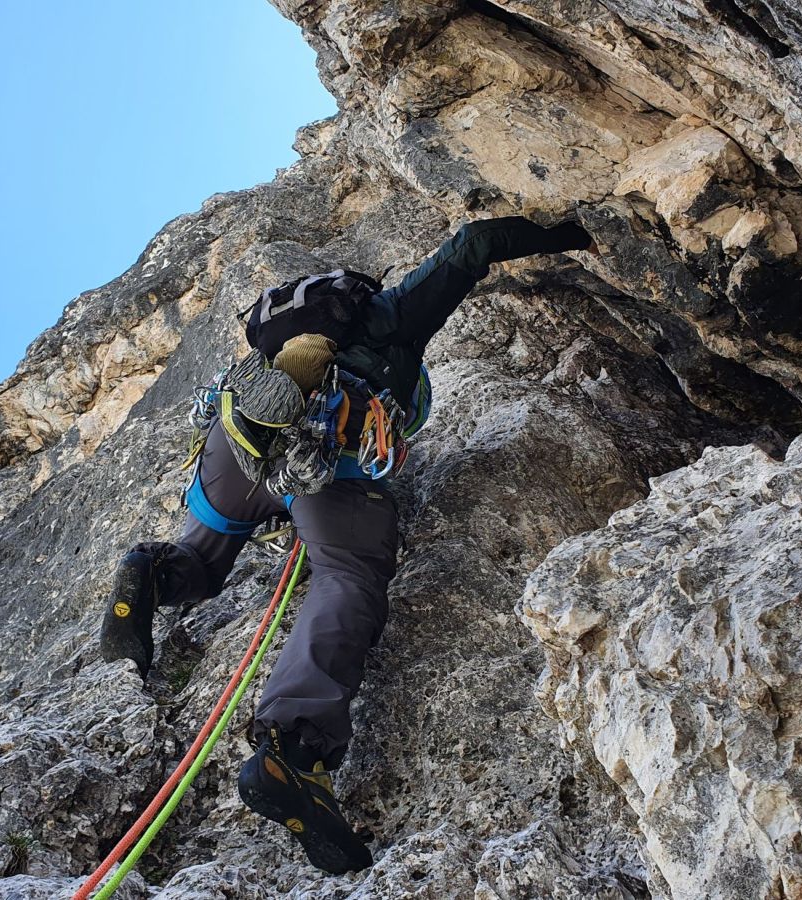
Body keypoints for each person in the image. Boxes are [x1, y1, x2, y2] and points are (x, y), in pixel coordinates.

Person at [98, 215, 592, 874]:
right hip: (332, 456)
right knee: (347, 579)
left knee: (205, 557)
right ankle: (293, 750)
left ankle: (153, 572)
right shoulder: (391, 315)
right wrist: (580, 229)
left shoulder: (272, 354)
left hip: (238, 446)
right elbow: (476, 244)